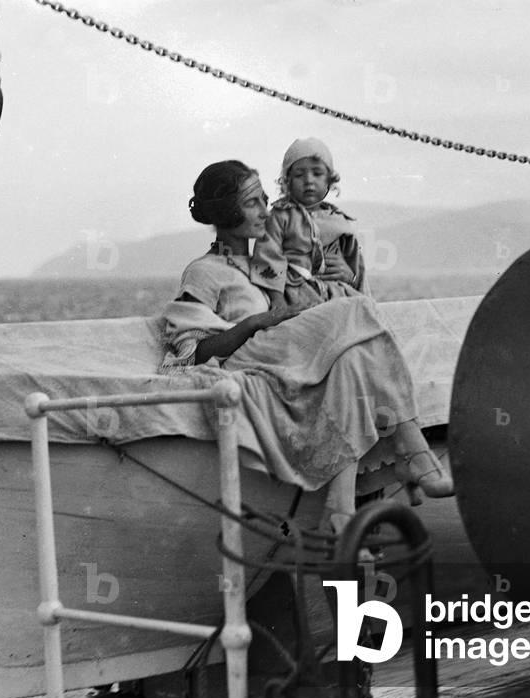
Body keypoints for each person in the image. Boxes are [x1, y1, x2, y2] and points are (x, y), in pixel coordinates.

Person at [161, 160, 451, 535]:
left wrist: (340, 277)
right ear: (226, 211)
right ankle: (414, 453)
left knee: (351, 356)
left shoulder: (269, 262)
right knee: (358, 311)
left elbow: (312, 299)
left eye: (265, 199)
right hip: (248, 364)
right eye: (252, 203)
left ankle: (339, 507)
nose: (265, 211)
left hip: (289, 360)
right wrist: (253, 323)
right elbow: (188, 354)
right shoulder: (204, 271)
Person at [251, 138, 367, 310]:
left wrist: (351, 277)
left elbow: (356, 265)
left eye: (317, 173)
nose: (308, 180)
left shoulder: (339, 221)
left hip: (338, 294)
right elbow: (268, 257)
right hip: (297, 295)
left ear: (329, 180)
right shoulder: (281, 216)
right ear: (287, 181)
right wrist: (277, 300)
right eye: (299, 175)